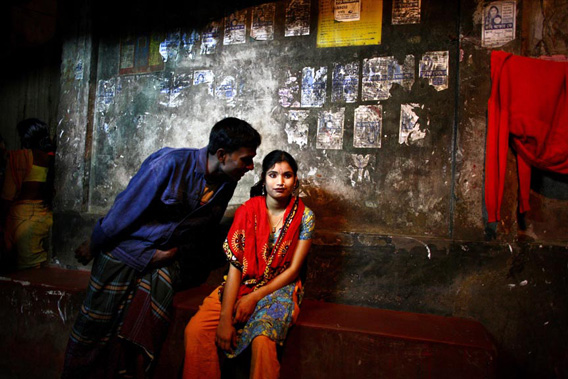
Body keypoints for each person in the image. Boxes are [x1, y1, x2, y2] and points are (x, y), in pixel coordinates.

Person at [61, 117, 261, 378]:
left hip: (160, 260)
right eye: (246, 159)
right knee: (93, 330)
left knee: (126, 332)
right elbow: (123, 211)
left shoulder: (227, 182)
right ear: (222, 155)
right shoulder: (169, 164)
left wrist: (172, 254)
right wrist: (94, 245)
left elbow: (203, 229)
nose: (250, 166)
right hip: (125, 254)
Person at [183, 150, 315, 379]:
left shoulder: (305, 217)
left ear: (296, 180)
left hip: (279, 286)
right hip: (243, 281)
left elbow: (294, 270)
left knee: (263, 340)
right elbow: (236, 265)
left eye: (287, 175)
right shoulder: (247, 211)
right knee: (196, 330)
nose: (280, 182)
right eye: (273, 175)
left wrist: (253, 297)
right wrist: (225, 318)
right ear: (263, 178)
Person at [1, 118, 55, 272]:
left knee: (22, 273)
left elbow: (7, 195)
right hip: (45, 217)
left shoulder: (19, 158)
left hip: (22, 220)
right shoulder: (51, 157)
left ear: (25, 137)